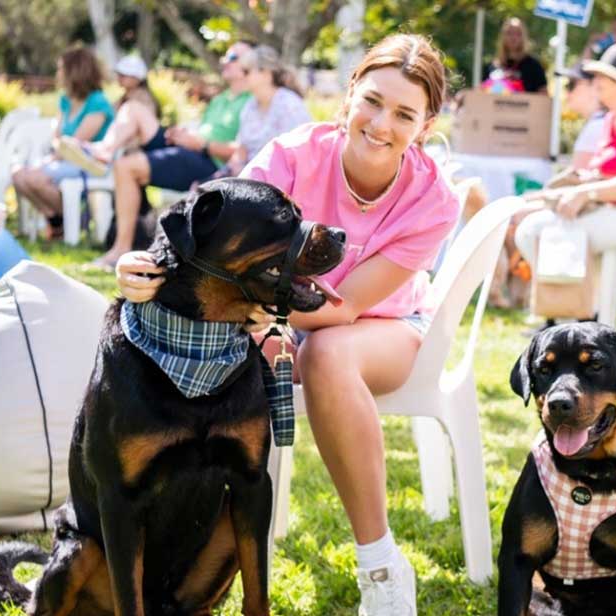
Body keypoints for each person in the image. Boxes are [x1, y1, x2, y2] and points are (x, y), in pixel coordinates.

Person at [115, 33, 460, 616]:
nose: (381, 124)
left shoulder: (434, 199)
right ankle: (178, 549)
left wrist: (255, 310)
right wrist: (144, 266)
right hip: (278, 313)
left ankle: (381, 568)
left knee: (327, 353)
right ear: (350, 94)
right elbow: (211, 224)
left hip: (388, 328)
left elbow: (345, 306)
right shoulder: (293, 153)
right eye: (373, 101)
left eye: (404, 114)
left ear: (424, 126)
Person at [514, 44, 616, 274]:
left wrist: (584, 193)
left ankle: (568, 305)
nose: (596, 80)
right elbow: (609, 176)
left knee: (538, 231)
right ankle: (571, 305)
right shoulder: (614, 118)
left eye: (604, 76)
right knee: (533, 228)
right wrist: (557, 193)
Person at [94, 41, 253, 268]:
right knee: (133, 109)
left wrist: (201, 143)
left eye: (233, 58)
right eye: (225, 56)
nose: (224, 61)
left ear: (250, 64)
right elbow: (202, 135)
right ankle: (103, 150)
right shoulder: (220, 99)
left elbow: (242, 151)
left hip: (211, 164)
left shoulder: (251, 102)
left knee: (125, 166)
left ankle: (120, 249)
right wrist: (183, 135)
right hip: (190, 151)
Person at [11, 45, 113, 238]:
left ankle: (71, 218)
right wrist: (52, 157)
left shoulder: (98, 102)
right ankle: (57, 219)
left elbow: (75, 144)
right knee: (17, 175)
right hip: (64, 159)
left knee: (33, 177)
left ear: (75, 71)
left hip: (88, 162)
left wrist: (49, 161)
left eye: (61, 68)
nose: (58, 73)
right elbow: (57, 138)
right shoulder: (65, 100)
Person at [55, 55, 166, 177]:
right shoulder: (123, 99)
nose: (119, 78)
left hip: (134, 155)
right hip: (120, 155)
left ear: (137, 78)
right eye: (119, 74)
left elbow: (140, 134)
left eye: (124, 75)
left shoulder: (143, 100)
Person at [220, 45, 311, 176]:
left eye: (246, 71)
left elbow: (299, 159)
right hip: (247, 179)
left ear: (266, 74)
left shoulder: (289, 106)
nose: (241, 75)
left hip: (279, 184)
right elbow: (241, 150)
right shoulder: (250, 106)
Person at [482, 17, 548, 94]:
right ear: (502, 36)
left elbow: (543, 96)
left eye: (518, 33)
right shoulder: (492, 66)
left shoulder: (534, 66)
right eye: (509, 33)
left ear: (524, 37)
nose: (513, 37)